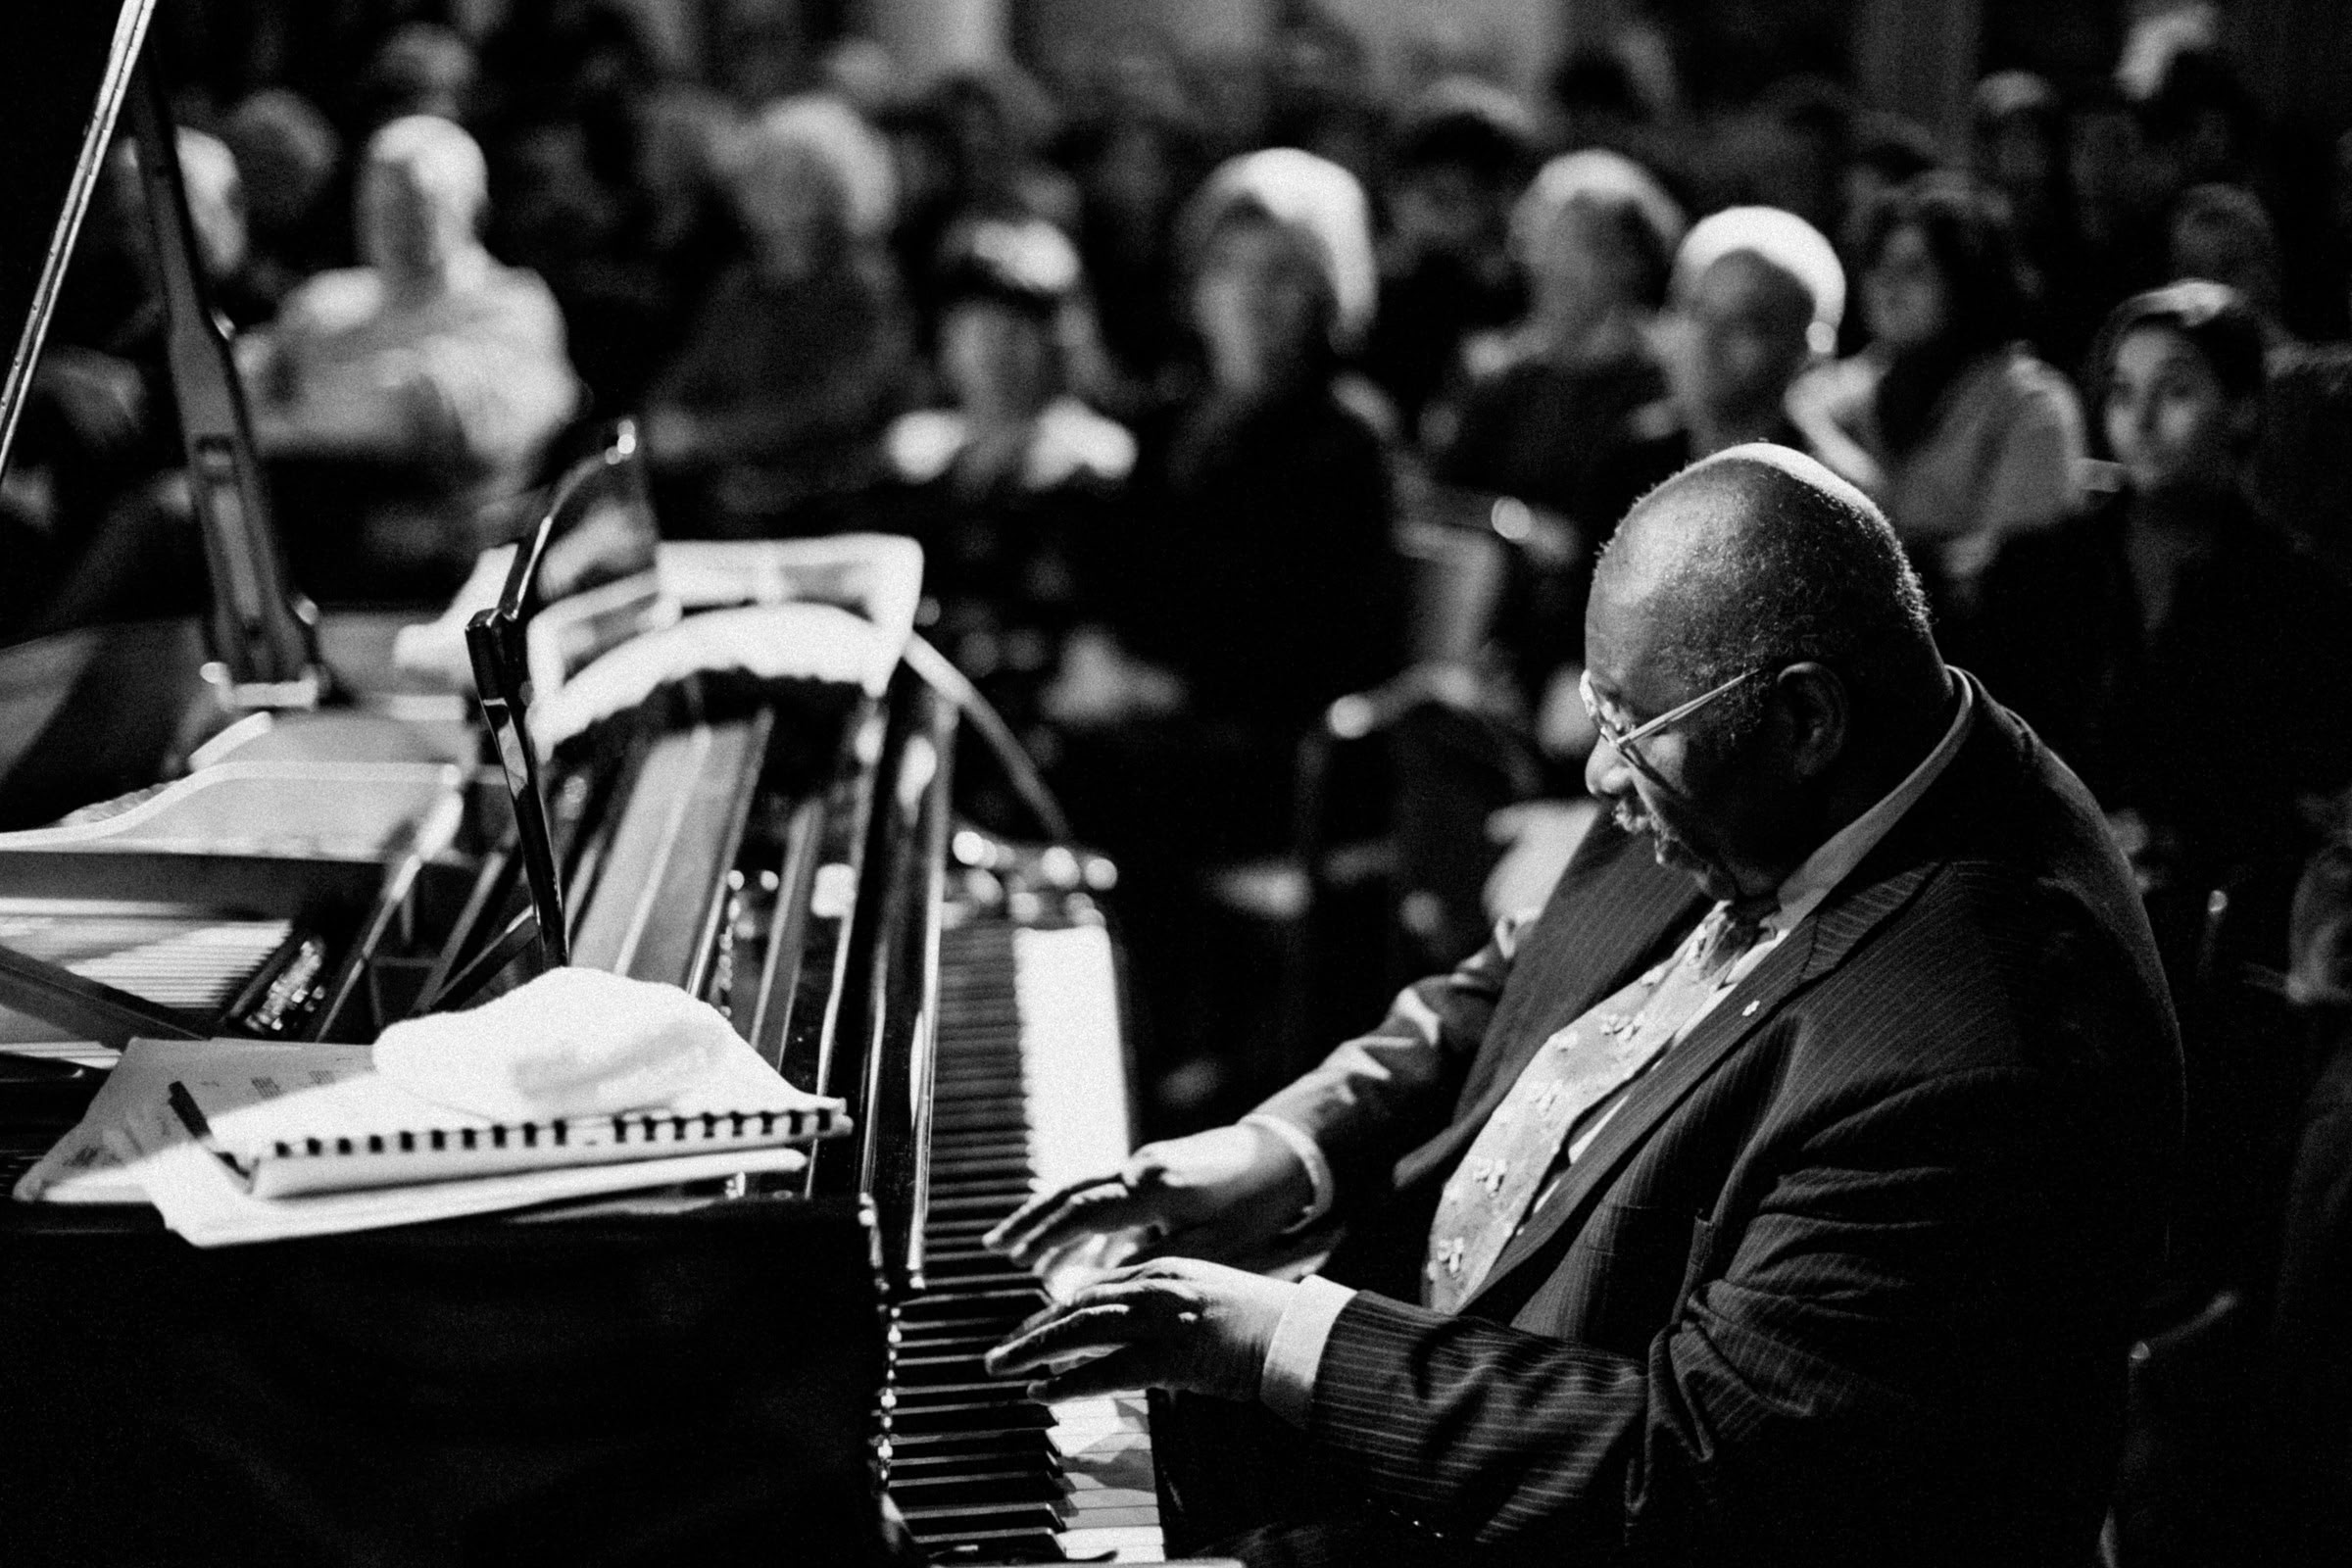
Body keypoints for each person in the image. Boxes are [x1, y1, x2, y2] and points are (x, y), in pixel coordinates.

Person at [982, 445, 2180, 1568]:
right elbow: (1516, 979)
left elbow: (1689, 1475)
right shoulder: (1751, 773)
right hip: (1420, 1402)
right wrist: (1282, 1150)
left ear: (1806, 718)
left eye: (1627, 729)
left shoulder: (1983, 1049)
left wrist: (1275, 1338)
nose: (1601, 773)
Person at [236, 115, 578, 598]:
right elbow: (229, 397)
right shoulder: (326, 303)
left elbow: (420, 421)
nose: (389, 222)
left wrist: (283, 416)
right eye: (376, 203)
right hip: (292, 515)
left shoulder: (511, 306)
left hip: (437, 540)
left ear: (470, 209)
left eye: (414, 204)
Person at [1791, 172, 2086, 619]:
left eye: (1914, 270)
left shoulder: (2030, 404)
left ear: (1967, 279)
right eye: (1877, 266)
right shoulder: (1827, 397)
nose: (1887, 288)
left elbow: (2004, 579)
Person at [642, 94, 914, 536]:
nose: (774, 190)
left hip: (833, 506)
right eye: (765, 172)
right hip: (734, 500)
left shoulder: (864, 283)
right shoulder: (740, 285)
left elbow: (842, 403)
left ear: (833, 185)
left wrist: (710, 436)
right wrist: (659, 418)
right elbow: (695, 370)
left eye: (796, 176)